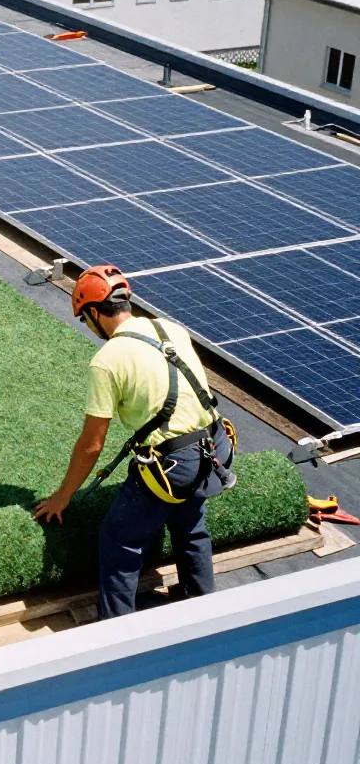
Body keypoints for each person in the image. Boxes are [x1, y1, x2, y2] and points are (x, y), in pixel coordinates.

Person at [33, 264, 235, 619]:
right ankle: (202, 602)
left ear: (95, 312)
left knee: (119, 538)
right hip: (216, 446)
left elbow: (91, 445)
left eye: (85, 319)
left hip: (174, 464)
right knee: (191, 526)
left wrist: (62, 497)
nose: (88, 326)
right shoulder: (171, 328)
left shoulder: (108, 360)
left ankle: (116, 631)